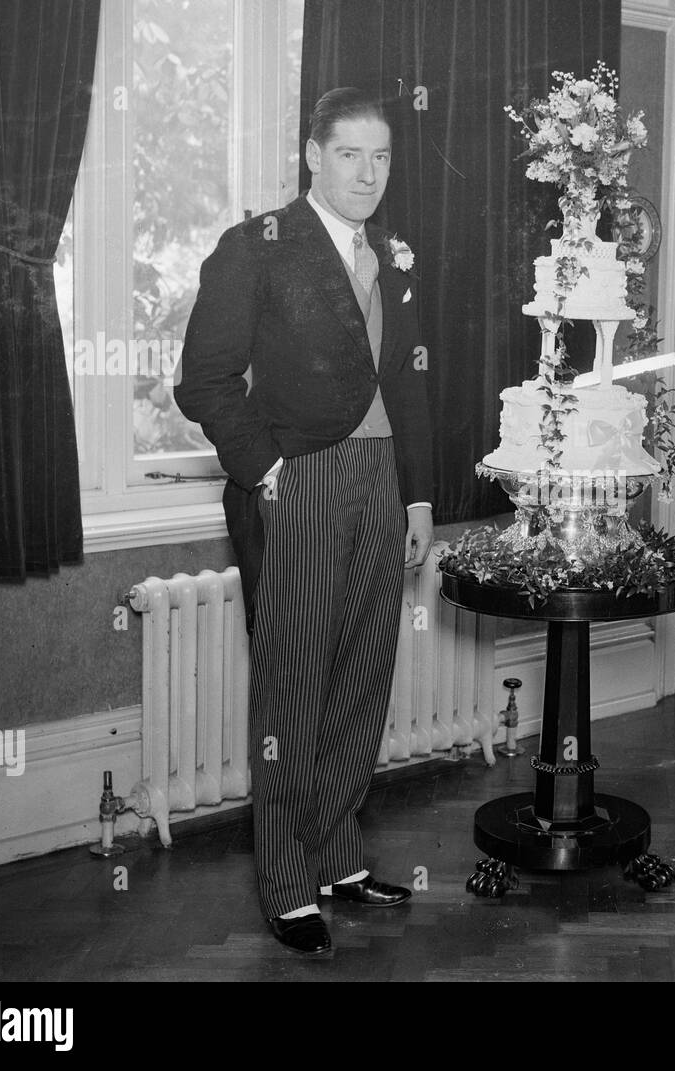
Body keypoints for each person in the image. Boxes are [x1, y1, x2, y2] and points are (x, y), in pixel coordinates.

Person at [175, 89, 434, 957]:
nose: (368, 172)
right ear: (313, 155)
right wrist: (269, 469)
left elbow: (409, 383)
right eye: (351, 154)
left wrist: (418, 496)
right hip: (301, 482)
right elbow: (203, 380)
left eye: (382, 157)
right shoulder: (257, 248)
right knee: (293, 684)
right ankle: (288, 884)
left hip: (379, 483)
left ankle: (339, 856)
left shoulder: (389, 260)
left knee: (365, 671)